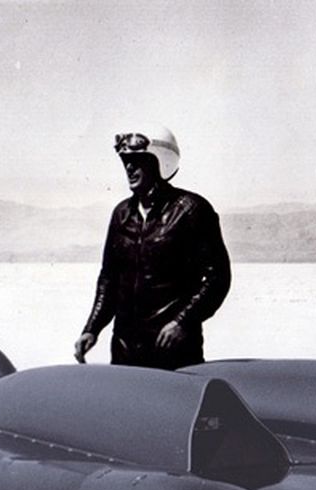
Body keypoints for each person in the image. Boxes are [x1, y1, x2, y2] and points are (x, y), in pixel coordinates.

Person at [74, 124, 231, 369]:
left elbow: (217, 278)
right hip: (125, 349)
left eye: (137, 160)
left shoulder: (191, 210)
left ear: (159, 163)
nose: (129, 167)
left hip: (173, 349)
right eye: (126, 161)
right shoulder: (121, 214)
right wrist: (92, 329)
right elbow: (109, 279)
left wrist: (182, 322)